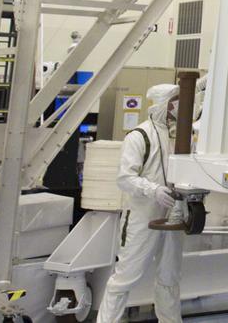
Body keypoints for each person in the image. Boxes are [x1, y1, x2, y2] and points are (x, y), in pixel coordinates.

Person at [96, 84, 185, 322]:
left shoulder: (177, 136)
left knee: (169, 278)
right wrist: (153, 190)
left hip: (173, 216)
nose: (179, 105)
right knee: (125, 278)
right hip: (142, 217)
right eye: (175, 100)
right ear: (162, 104)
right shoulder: (139, 136)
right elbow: (125, 178)